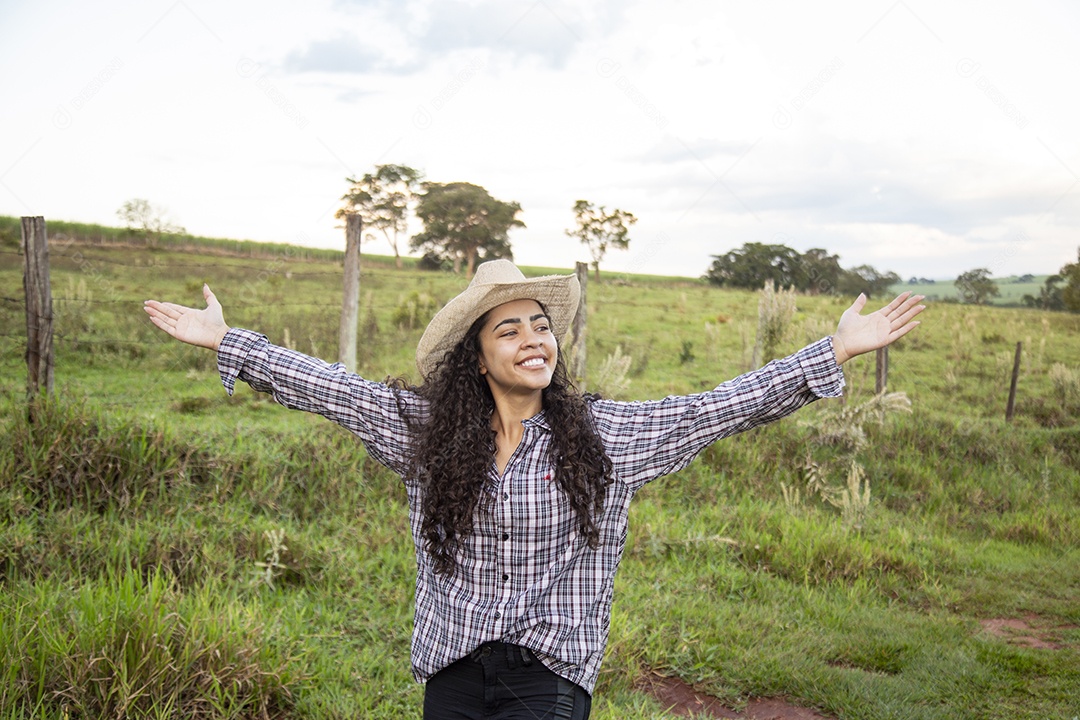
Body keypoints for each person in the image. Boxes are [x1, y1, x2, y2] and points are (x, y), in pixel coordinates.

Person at [144, 259, 924, 720]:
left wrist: (833, 351)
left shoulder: (606, 437)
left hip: (547, 677)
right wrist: (230, 341)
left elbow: (719, 407)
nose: (533, 339)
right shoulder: (425, 431)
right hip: (452, 665)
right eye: (509, 329)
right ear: (476, 356)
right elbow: (332, 388)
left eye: (541, 325)